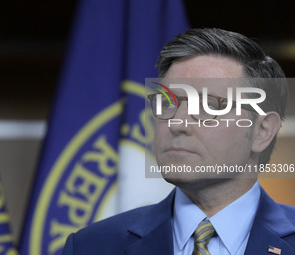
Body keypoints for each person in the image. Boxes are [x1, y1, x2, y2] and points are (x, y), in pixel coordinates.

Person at [61, 28, 295, 255]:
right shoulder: (90, 246)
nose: (177, 123)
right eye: (168, 102)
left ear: (262, 131)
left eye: (208, 105)